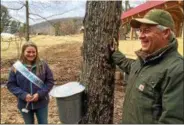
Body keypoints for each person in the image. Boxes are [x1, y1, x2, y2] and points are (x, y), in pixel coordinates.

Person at [111, 9, 184, 124]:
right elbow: (130, 67)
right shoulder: (145, 59)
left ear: (165, 33)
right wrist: (114, 53)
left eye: (147, 30)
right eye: (140, 31)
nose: (141, 36)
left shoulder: (177, 70)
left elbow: (173, 121)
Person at [7, 41, 54, 124]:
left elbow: (50, 81)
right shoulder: (16, 67)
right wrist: (23, 95)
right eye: (28, 52)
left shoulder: (43, 65)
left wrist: (40, 94)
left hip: (41, 102)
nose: (31, 54)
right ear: (23, 52)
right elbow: (11, 85)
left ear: (36, 52)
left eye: (33, 52)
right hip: (24, 103)